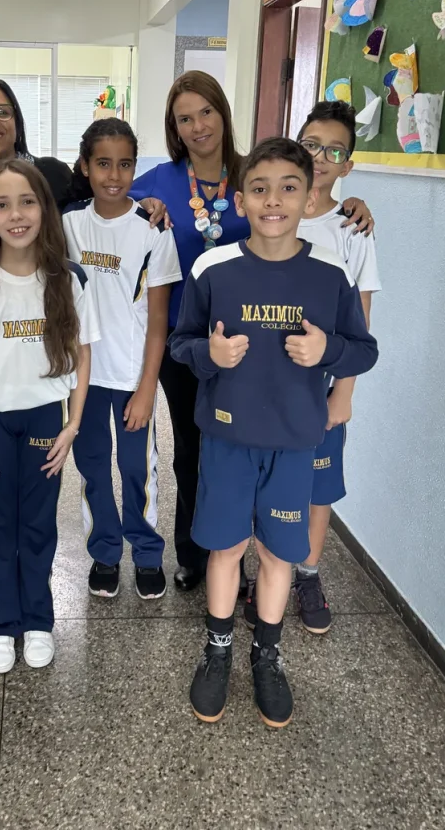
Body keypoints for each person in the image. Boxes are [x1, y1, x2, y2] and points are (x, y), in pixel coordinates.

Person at [128, 71, 376, 593]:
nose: (198, 125)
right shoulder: (157, 182)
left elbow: (307, 200)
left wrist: (352, 203)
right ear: (173, 128)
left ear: (223, 113)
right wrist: (141, 207)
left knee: (260, 456)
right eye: (184, 118)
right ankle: (201, 554)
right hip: (190, 338)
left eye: (206, 112)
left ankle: (257, 560)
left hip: (264, 345)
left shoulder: (254, 171)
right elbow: (105, 203)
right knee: (197, 449)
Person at [170, 137, 378, 728]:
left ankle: (267, 654)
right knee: (225, 548)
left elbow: (364, 350)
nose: (273, 201)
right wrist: (209, 355)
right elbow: (182, 343)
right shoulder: (213, 268)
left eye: (289, 188)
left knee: (279, 553)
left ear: (308, 197)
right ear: (241, 200)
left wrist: (327, 350)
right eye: (259, 189)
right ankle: (217, 650)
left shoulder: (330, 273)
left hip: (294, 443)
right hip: (227, 441)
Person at [0, 160, 98, 674]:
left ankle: (39, 619)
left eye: (27, 201)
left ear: (44, 209)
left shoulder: (69, 279)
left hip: (46, 419)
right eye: (2, 205)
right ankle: (3, 622)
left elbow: (83, 356)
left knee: (39, 524)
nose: (16, 214)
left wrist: (72, 425)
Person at [244, 101, 380, 634]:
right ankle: (264, 569)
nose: (320, 157)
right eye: (311, 144)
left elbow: (359, 323)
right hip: (264, 385)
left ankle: (307, 573)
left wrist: (342, 393)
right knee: (264, 480)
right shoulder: (272, 210)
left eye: (335, 151)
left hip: (320, 386)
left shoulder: (353, 229)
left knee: (318, 485)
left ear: (348, 165)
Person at [63, 119, 182, 601]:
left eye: (125, 164)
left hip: (133, 376)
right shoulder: (68, 224)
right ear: (85, 167)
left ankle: (148, 553)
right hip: (83, 378)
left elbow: (158, 319)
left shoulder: (152, 229)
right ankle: (105, 552)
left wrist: (148, 386)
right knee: (92, 466)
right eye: (103, 163)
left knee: (137, 469)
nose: (114, 175)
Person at [0, 76, 168, 290]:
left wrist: (141, 204)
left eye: (2, 111)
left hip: (57, 306)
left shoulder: (53, 174)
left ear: (17, 124)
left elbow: (105, 200)